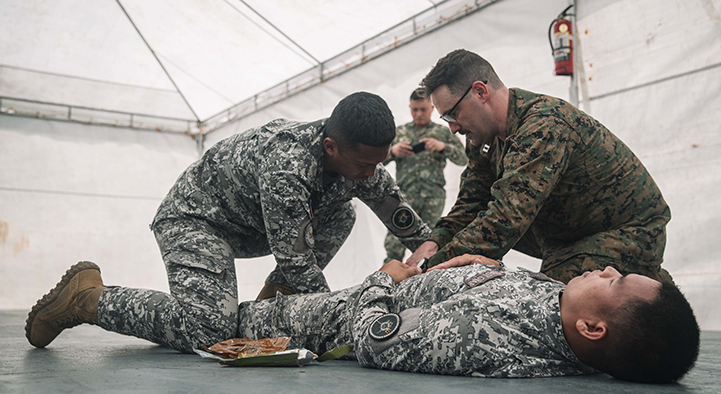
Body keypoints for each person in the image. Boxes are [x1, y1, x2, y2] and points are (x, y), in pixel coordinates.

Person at [25, 92, 431, 352]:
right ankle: (87, 298)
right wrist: (335, 320)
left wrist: (438, 250)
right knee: (211, 332)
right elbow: (297, 263)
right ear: (330, 145)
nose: (371, 174)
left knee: (344, 210)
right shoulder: (287, 167)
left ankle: (268, 314)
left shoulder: (359, 164)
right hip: (197, 221)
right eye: (364, 164)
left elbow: (401, 217)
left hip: (246, 223)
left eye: (377, 164)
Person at [406, 49, 672, 284]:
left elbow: (505, 219)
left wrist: (426, 271)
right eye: (445, 119)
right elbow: (472, 201)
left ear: (480, 92)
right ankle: (642, 282)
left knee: (553, 301)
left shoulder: (543, 125)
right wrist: (436, 241)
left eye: (452, 114)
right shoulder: (481, 138)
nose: (452, 128)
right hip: (566, 231)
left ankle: (647, 279)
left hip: (628, 232)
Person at [238, 256, 700, 383]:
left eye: (615, 283)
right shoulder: (564, 317)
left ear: (594, 329)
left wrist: (382, 277)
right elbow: (534, 295)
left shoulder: (487, 336)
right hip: (383, 292)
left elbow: (374, 341)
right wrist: (491, 271)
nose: (607, 270)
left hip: (330, 319)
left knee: (221, 321)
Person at [382, 88, 467, 263]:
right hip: (403, 197)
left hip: (432, 198)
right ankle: (389, 280)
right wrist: (393, 151)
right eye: (415, 109)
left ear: (432, 108)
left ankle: (425, 279)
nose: (419, 114)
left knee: (429, 244)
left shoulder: (443, 132)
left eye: (423, 109)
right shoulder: (398, 133)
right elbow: (375, 161)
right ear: (410, 108)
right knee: (394, 244)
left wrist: (443, 147)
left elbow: (464, 158)